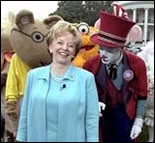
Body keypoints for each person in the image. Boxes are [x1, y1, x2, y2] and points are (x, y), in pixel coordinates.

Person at [16, 20, 99, 142]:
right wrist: (20, 139)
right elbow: (25, 114)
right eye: (60, 42)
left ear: (74, 52)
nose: (65, 48)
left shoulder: (86, 79)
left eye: (70, 45)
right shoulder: (33, 76)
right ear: (50, 46)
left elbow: (91, 119)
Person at [83, 10, 147, 142]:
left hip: (126, 116)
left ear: (121, 48)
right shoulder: (90, 65)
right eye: (101, 48)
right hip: (101, 119)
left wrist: (139, 120)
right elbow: (83, 93)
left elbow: (142, 95)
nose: (103, 54)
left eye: (110, 50)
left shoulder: (137, 64)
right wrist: (91, 104)